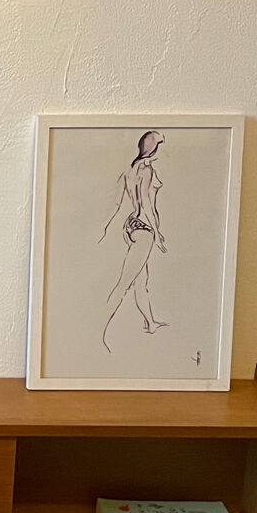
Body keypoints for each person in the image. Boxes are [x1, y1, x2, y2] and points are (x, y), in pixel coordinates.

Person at [99, 130, 168, 352]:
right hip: (145, 229)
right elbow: (147, 203)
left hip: (131, 226)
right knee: (124, 283)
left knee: (140, 281)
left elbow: (116, 203)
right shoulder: (146, 169)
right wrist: (157, 233)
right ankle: (97, 329)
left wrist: (107, 228)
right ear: (154, 148)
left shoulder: (128, 170)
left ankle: (150, 322)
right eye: (160, 145)